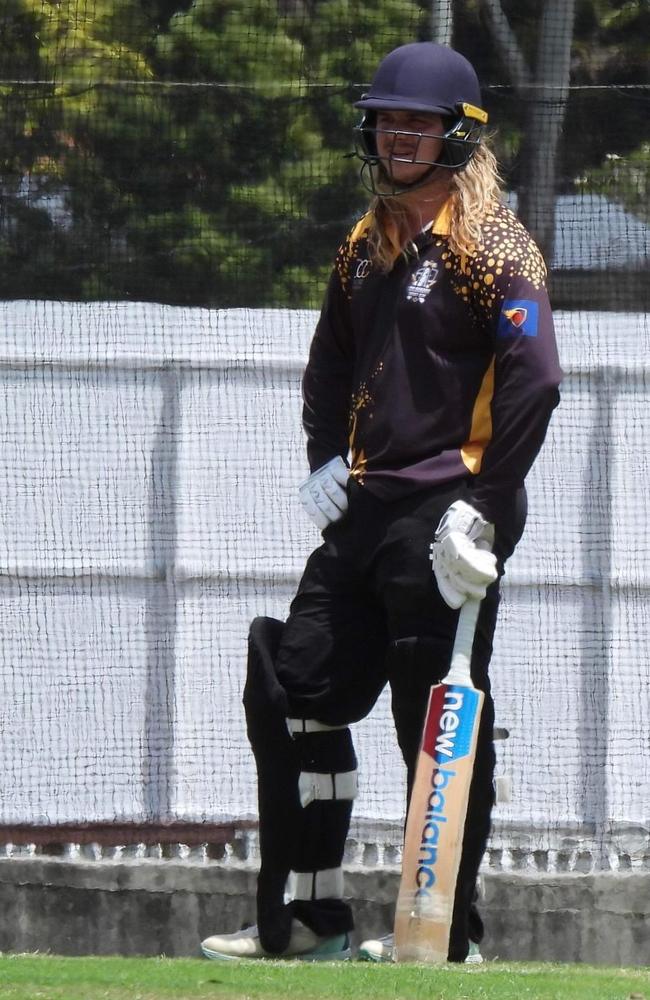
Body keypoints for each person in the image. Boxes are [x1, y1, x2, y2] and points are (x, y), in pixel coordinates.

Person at [201, 40, 561, 964]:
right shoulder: (366, 242)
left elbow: (536, 380)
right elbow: (329, 359)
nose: (398, 135)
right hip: (366, 507)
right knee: (299, 688)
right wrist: (325, 456)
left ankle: (447, 936)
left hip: (450, 511)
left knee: (434, 715)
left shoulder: (496, 243)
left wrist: (487, 502)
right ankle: (312, 918)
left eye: (418, 121)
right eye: (387, 119)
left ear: (458, 134)